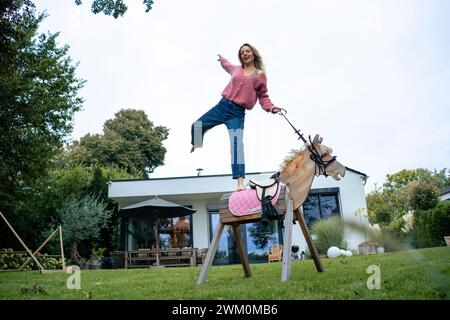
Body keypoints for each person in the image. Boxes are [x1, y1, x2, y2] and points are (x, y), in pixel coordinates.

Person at [190, 43, 283, 191]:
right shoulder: (237, 69)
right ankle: (197, 143)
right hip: (222, 106)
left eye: (247, 51)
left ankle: (239, 183)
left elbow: (263, 96)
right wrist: (222, 59)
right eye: (242, 52)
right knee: (197, 125)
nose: (245, 54)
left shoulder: (259, 74)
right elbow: (227, 66)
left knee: (237, 146)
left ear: (253, 54)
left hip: (237, 114)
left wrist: (270, 107)